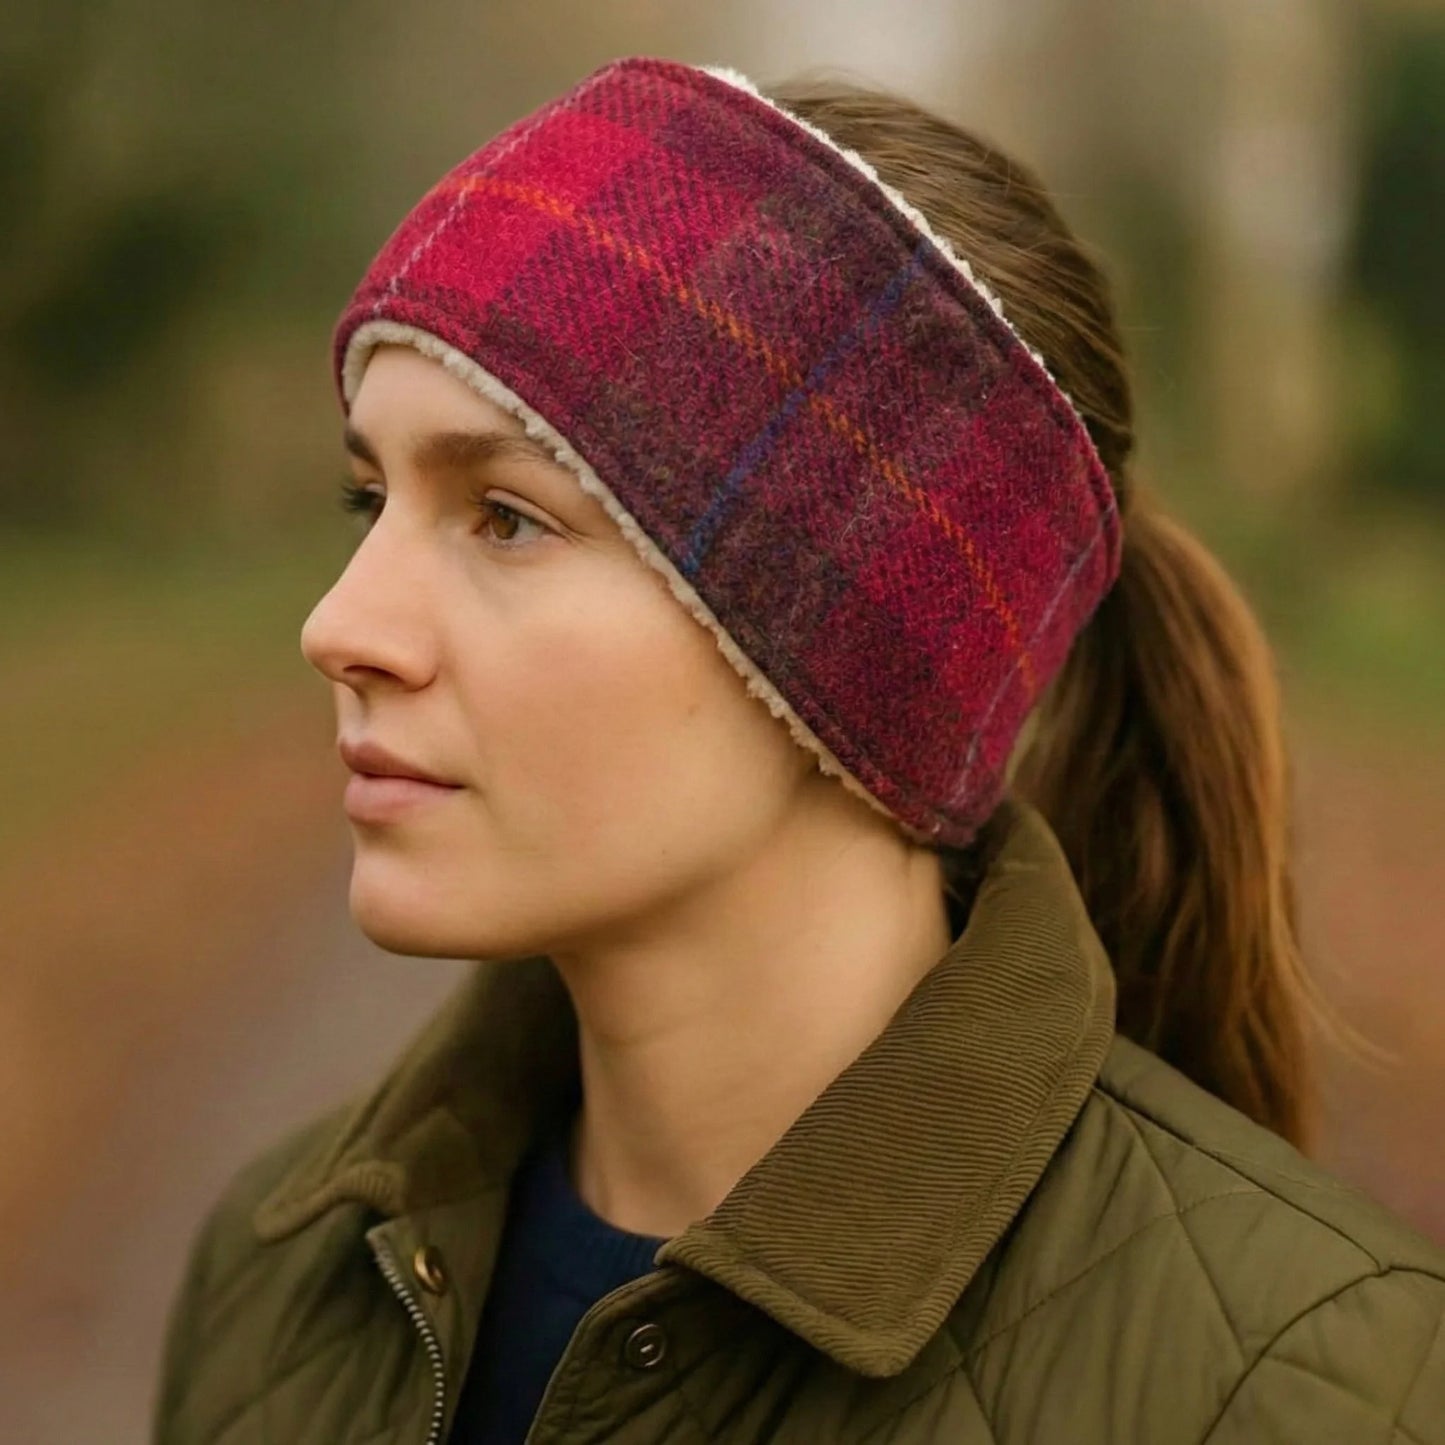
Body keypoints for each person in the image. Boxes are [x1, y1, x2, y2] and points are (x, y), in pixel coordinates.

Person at [152, 55, 1445, 1444]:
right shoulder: (287, 1271)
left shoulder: (1300, 1386)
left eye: (506, 516)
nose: (342, 624)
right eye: (369, 497)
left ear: (854, 649)